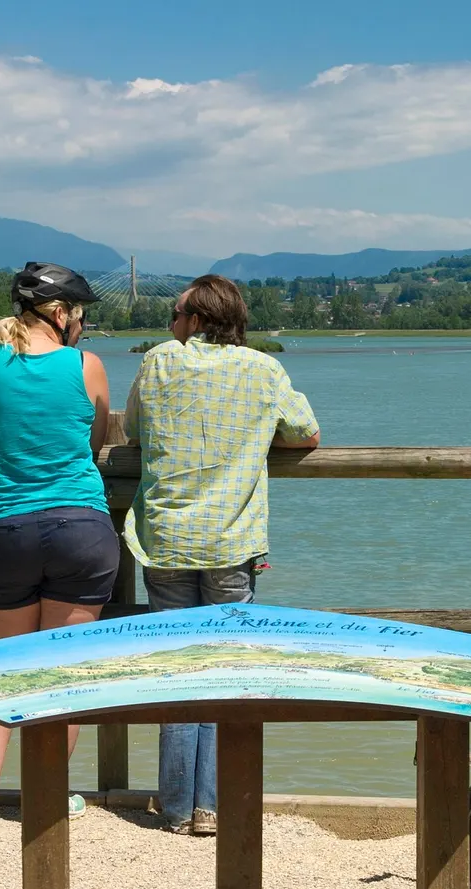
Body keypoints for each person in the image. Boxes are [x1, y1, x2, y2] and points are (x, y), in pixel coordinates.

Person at [122, 274, 320, 835]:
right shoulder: (263, 370)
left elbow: (134, 429)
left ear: (197, 318)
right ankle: (213, 804)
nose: (171, 323)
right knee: (226, 669)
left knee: (178, 669)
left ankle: (179, 805)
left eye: (176, 312)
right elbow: (305, 433)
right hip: (232, 540)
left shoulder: (159, 362)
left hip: (166, 538)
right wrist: (254, 439)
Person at [0, 262, 115, 830]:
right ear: (60, 315)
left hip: (9, 529)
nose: (82, 327)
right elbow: (97, 441)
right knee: (64, 667)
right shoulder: (88, 367)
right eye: (80, 316)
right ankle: (49, 792)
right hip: (83, 529)